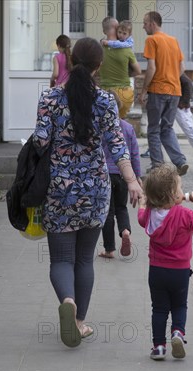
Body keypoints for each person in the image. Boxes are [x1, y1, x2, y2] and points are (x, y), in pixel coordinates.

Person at [33, 37, 142, 348]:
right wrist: (133, 181)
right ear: (99, 66)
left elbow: (40, 142)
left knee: (61, 259)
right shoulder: (107, 101)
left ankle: (67, 302)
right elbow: (118, 146)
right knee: (84, 260)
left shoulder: (50, 98)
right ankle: (79, 322)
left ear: (71, 58)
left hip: (59, 191)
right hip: (95, 191)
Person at [138, 164, 193, 360]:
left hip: (156, 270)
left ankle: (159, 347)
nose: (182, 191)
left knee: (159, 308)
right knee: (179, 305)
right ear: (172, 195)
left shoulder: (150, 214)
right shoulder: (185, 214)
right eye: (179, 187)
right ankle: (178, 333)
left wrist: (143, 204)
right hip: (180, 271)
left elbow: (140, 219)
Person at [138, 11, 188, 176]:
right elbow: (182, 68)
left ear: (152, 23)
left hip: (158, 91)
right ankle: (180, 162)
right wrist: (171, 78)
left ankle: (157, 166)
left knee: (153, 129)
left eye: (145, 23)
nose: (143, 26)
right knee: (167, 128)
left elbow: (151, 68)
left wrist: (144, 90)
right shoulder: (173, 41)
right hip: (175, 91)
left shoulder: (151, 40)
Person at [99, 92, 142, 259]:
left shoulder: (100, 127)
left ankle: (109, 249)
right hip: (125, 175)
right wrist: (137, 176)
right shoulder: (128, 127)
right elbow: (135, 154)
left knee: (107, 213)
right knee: (121, 208)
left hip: (105, 175)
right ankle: (125, 231)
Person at [99, 17, 141, 119]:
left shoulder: (98, 48)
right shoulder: (126, 49)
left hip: (105, 93)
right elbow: (138, 71)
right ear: (116, 28)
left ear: (104, 30)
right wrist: (126, 74)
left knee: (106, 125)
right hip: (124, 94)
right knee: (120, 126)